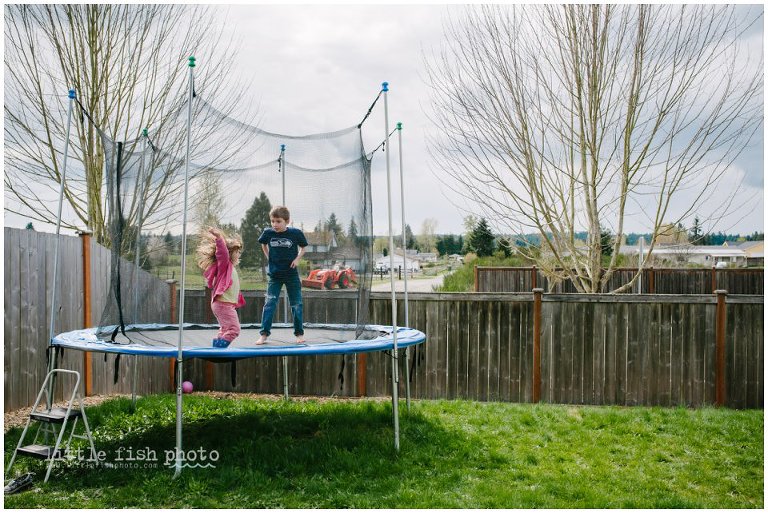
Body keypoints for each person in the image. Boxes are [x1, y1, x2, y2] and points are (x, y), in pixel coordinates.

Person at [256, 206, 308, 344]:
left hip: (291, 275)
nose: (275, 224)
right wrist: (269, 257)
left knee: (296, 304)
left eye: (278, 221)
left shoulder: (295, 233)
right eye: (272, 221)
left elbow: (303, 248)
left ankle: (299, 334)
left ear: (287, 221)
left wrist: (297, 259)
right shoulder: (268, 233)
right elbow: (263, 245)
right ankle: (264, 334)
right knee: (269, 303)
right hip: (275, 275)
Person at [196, 227, 245, 348]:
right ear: (229, 253)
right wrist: (219, 238)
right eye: (236, 252)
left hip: (222, 304)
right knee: (234, 329)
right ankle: (220, 348)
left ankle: (216, 345)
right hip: (223, 304)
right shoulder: (224, 264)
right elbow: (222, 253)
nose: (238, 255)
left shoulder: (229, 268)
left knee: (225, 329)